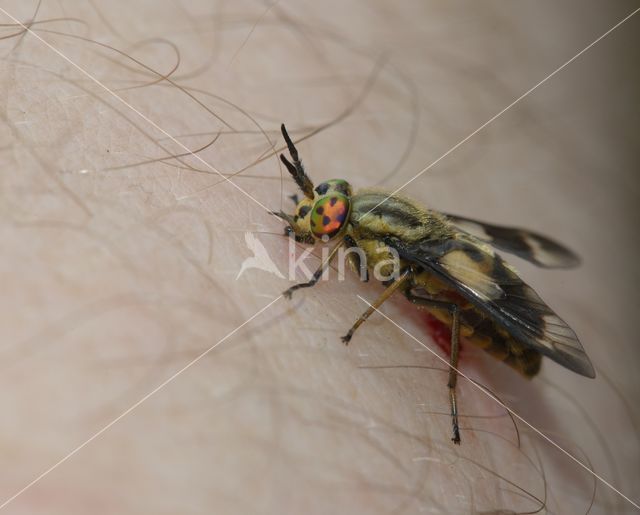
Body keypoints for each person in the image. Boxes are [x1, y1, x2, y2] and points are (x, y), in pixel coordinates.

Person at [0, 1, 637, 512]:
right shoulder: (359, 218)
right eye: (319, 205)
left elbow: (398, 279)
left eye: (322, 211)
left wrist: (356, 317)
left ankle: (456, 388)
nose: (315, 212)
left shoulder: (379, 238)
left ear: (343, 218)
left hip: (487, 304)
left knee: (429, 290)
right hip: (444, 250)